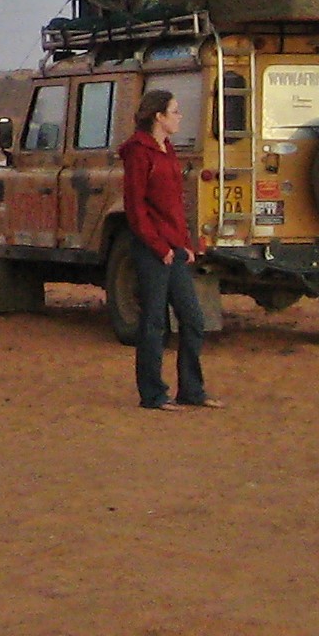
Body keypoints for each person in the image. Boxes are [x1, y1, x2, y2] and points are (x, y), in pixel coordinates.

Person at [118, 90, 214, 410]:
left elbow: (174, 203)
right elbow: (136, 208)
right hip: (152, 249)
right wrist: (159, 247)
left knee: (193, 319)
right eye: (174, 111)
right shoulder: (138, 152)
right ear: (158, 116)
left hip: (174, 247)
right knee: (154, 322)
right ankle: (153, 394)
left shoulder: (167, 149)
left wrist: (186, 243)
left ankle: (192, 390)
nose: (179, 116)